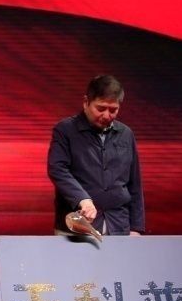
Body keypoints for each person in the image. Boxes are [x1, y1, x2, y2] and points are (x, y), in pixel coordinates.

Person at [48, 74, 144, 236]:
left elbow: (134, 184)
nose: (106, 115)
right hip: (77, 227)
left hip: (119, 226)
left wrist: (136, 227)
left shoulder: (126, 134)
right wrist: (82, 199)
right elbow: (58, 170)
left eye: (113, 110)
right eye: (100, 108)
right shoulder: (65, 130)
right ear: (86, 102)